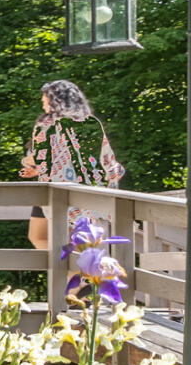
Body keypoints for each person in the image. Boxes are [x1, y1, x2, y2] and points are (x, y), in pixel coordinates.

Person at [18, 78, 124, 249]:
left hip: (56, 191)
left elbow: (39, 157)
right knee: (76, 242)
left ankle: (69, 266)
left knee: (42, 237)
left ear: (55, 100)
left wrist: (26, 162)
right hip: (86, 192)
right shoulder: (90, 123)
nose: (43, 106)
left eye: (45, 101)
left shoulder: (48, 124)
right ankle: (78, 265)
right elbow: (101, 159)